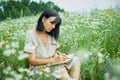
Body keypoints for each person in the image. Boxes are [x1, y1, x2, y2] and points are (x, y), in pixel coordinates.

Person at [24, 9, 80, 80]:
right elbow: (32, 61)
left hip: (52, 63)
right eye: (52, 23)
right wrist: (53, 60)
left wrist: (60, 58)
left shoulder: (51, 34)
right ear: (44, 19)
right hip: (39, 68)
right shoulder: (30, 34)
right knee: (61, 70)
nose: (54, 27)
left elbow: (54, 53)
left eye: (55, 24)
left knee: (75, 60)